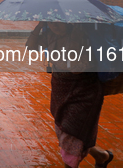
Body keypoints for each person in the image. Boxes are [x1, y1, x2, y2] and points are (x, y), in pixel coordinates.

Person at [26, 22, 114, 168]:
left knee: (72, 135)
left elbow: (76, 68)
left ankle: (71, 165)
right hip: (60, 91)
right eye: (50, 21)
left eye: (58, 22)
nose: (55, 25)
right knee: (67, 132)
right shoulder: (50, 34)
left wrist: (73, 40)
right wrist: (39, 27)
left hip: (84, 92)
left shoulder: (82, 35)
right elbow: (31, 47)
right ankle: (102, 156)